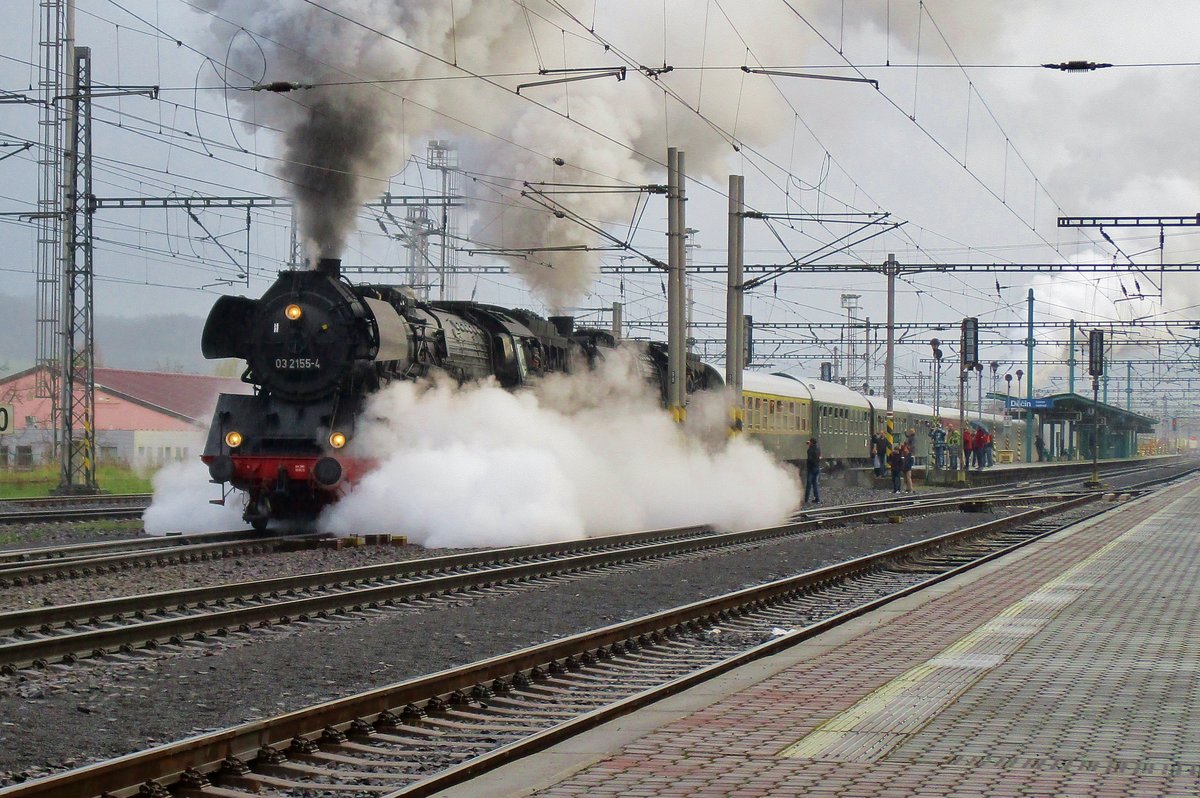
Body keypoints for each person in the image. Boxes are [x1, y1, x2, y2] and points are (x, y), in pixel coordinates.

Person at [803, 437, 821, 505]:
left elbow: (810, 459)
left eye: (809, 442)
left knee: (808, 485)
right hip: (817, 468)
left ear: (811, 442)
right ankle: (817, 499)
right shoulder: (818, 448)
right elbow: (819, 457)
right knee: (815, 484)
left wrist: (808, 465)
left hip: (811, 469)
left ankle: (806, 499)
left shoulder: (810, 450)